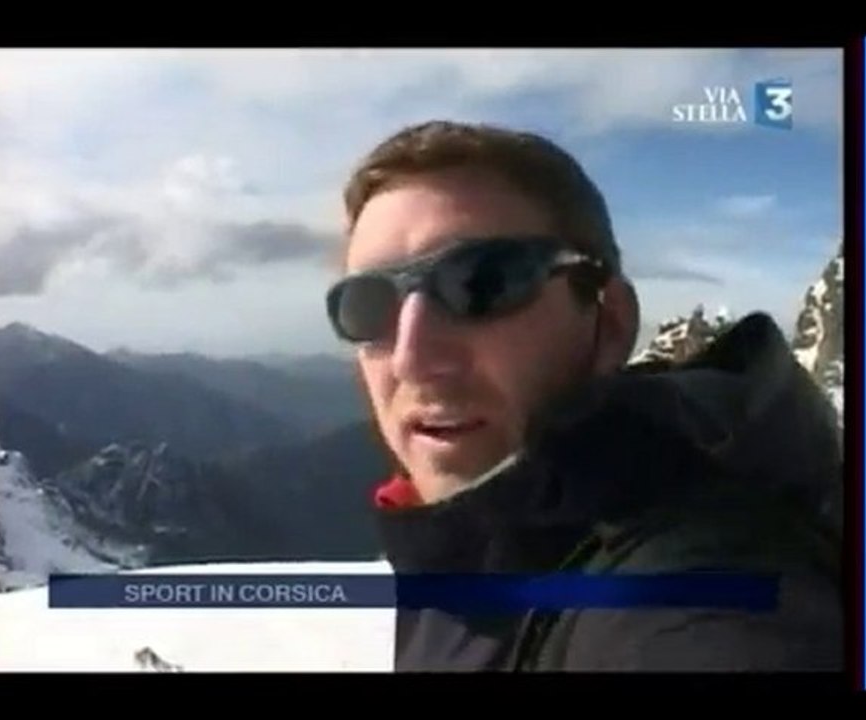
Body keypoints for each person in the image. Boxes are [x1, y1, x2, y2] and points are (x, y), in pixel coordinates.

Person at [324, 120, 843, 672]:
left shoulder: (700, 584)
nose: (411, 356)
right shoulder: (464, 555)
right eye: (367, 306)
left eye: (482, 282)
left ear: (610, 323)